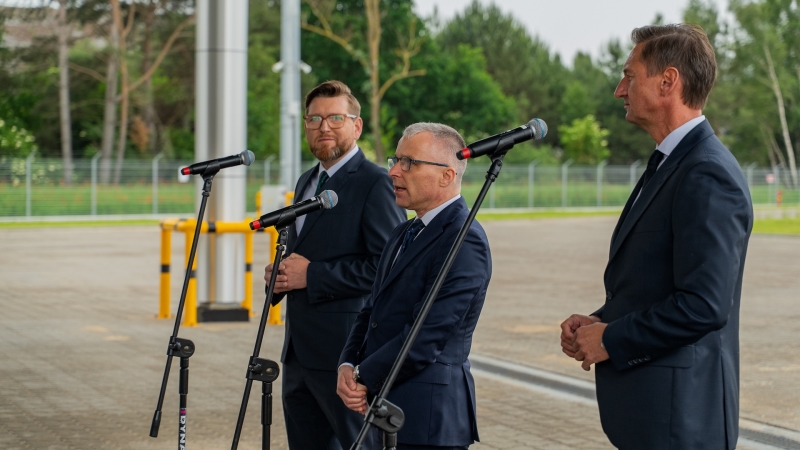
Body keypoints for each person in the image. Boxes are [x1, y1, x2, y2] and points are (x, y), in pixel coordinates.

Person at [559, 24, 753, 449]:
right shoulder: (671, 162)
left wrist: (612, 339)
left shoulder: (707, 171)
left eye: (629, 76)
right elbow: (656, 283)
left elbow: (704, 305)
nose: (618, 89)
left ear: (668, 81)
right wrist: (601, 320)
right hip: (656, 416)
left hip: (681, 421)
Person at [265, 80, 406, 450]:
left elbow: (387, 268)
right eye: (314, 118)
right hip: (298, 355)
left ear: (356, 126)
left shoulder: (376, 183)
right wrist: (282, 276)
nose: (323, 127)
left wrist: (310, 275)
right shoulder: (306, 181)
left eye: (335, 118)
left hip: (347, 356)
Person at [337, 123, 492, 450]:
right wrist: (348, 364)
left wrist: (364, 375)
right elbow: (371, 310)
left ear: (447, 176)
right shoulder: (402, 232)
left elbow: (426, 336)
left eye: (409, 162)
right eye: (396, 159)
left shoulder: (465, 240)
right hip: (385, 410)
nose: (393, 171)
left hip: (428, 419)